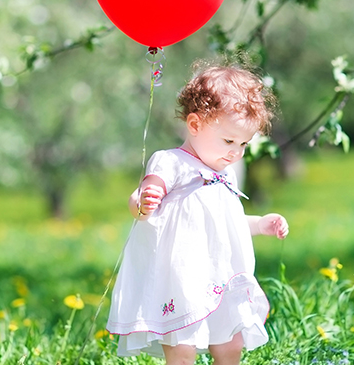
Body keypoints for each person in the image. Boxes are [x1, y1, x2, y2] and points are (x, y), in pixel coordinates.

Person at [106, 64, 289, 364]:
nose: (236, 152)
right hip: (182, 278)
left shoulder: (225, 174)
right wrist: (142, 201)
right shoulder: (171, 162)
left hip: (220, 275)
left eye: (243, 143)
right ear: (195, 125)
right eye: (229, 141)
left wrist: (260, 224)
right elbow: (141, 199)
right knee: (182, 347)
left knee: (231, 344)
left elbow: (225, 223)